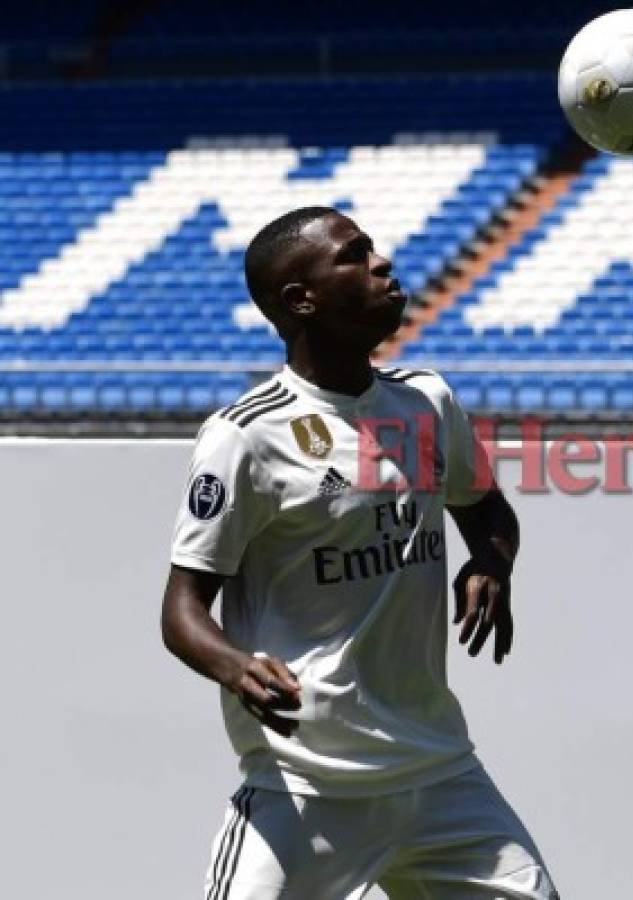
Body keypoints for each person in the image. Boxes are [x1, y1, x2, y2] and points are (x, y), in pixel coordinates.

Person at [161, 206, 558, 899]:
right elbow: (182, 610)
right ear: (300, 299)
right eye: (353, 255)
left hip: (438, 775)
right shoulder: (245, 436)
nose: (381, 263)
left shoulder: (425, 402)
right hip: (306, 784)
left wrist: (492, 562)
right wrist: (236, 667)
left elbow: (487, 509)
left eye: (373, 249)